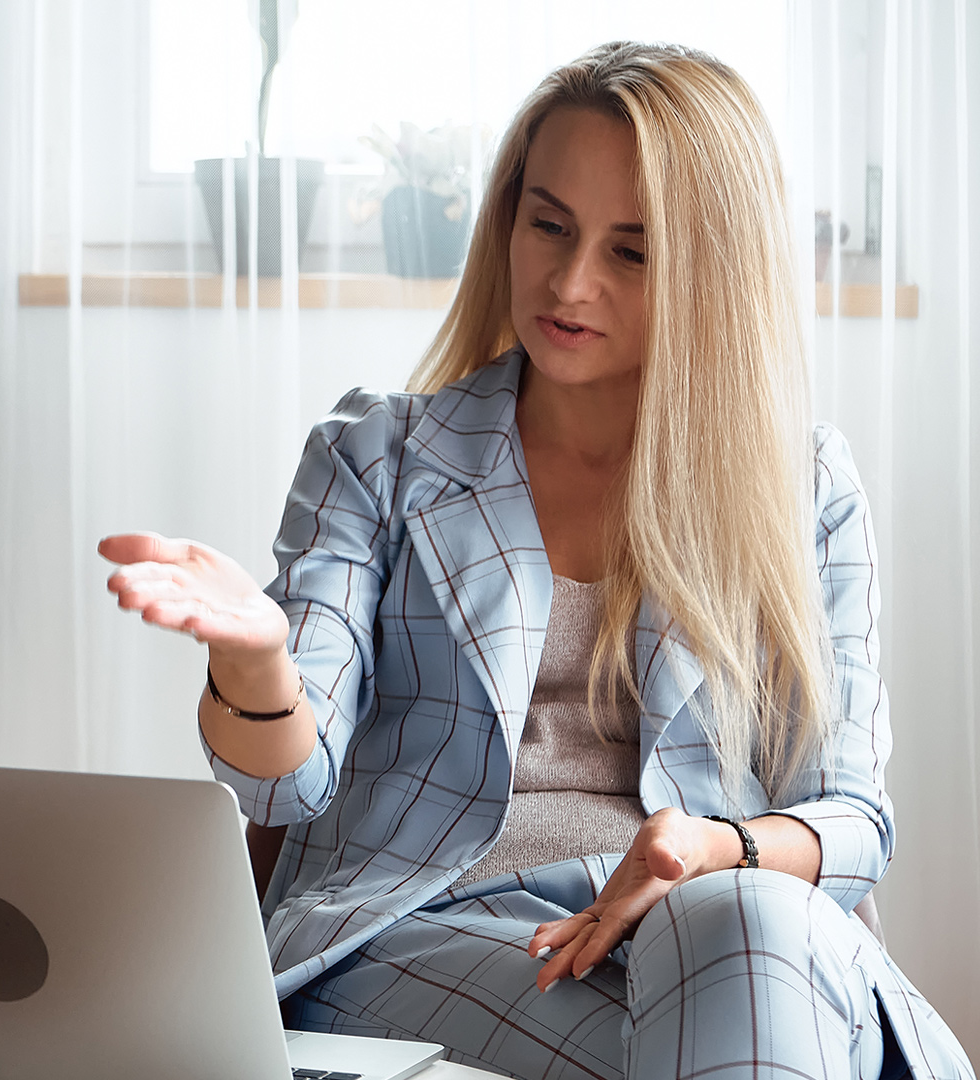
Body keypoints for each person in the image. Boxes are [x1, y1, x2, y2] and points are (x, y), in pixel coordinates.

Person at [100, 42, 974, 1080]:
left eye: (630, 252)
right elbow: (288, 785)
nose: (568, 281)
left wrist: (713, 849)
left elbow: (852, 817)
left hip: (712, 915)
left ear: (712, 272)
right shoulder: (378, 457)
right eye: (549, 224)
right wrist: (254, 658)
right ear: (507, 219)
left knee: (745, 930)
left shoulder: (804, 485)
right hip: (432, 927)